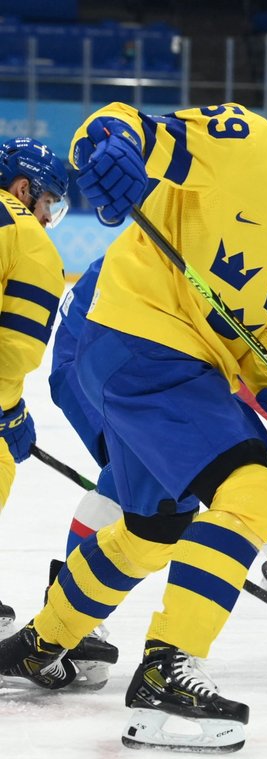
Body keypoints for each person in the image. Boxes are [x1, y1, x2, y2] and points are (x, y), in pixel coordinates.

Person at [0, 60, 267, 752]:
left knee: (155, 525)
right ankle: (166, 674)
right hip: (137, 341)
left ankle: (43, 643)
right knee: (255, 488)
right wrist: (109, 148)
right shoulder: (243, 140)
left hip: (171, 364)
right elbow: (122, 126)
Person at [46, 255, 267, 672]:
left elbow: (256, 344)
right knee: (137, 488)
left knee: (262, 480)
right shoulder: (198, 232)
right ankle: (69, 618)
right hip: (107, 355)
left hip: (185, 359)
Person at [0, 137, 68, 632]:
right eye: (48, 203)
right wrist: (9, 410)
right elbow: (15, 350)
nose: (47, 217)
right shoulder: (29, 239)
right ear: (23, 189)